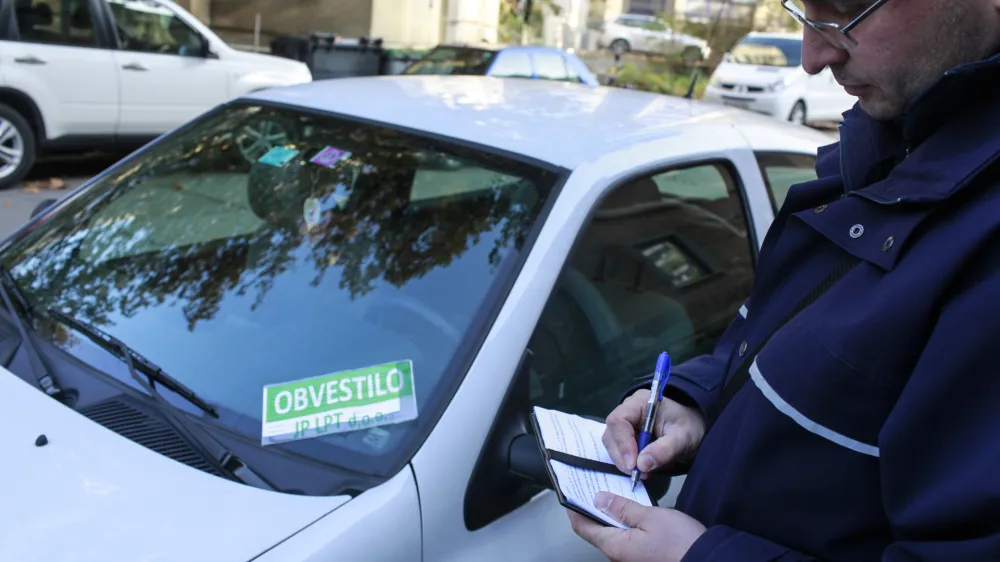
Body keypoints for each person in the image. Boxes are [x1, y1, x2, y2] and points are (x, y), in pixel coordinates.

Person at [566, 0, 1000, 560]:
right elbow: (802, 348)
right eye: (804, 8)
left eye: (846, 10)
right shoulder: (882, 151)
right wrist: (699, 403)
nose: (814, 57)